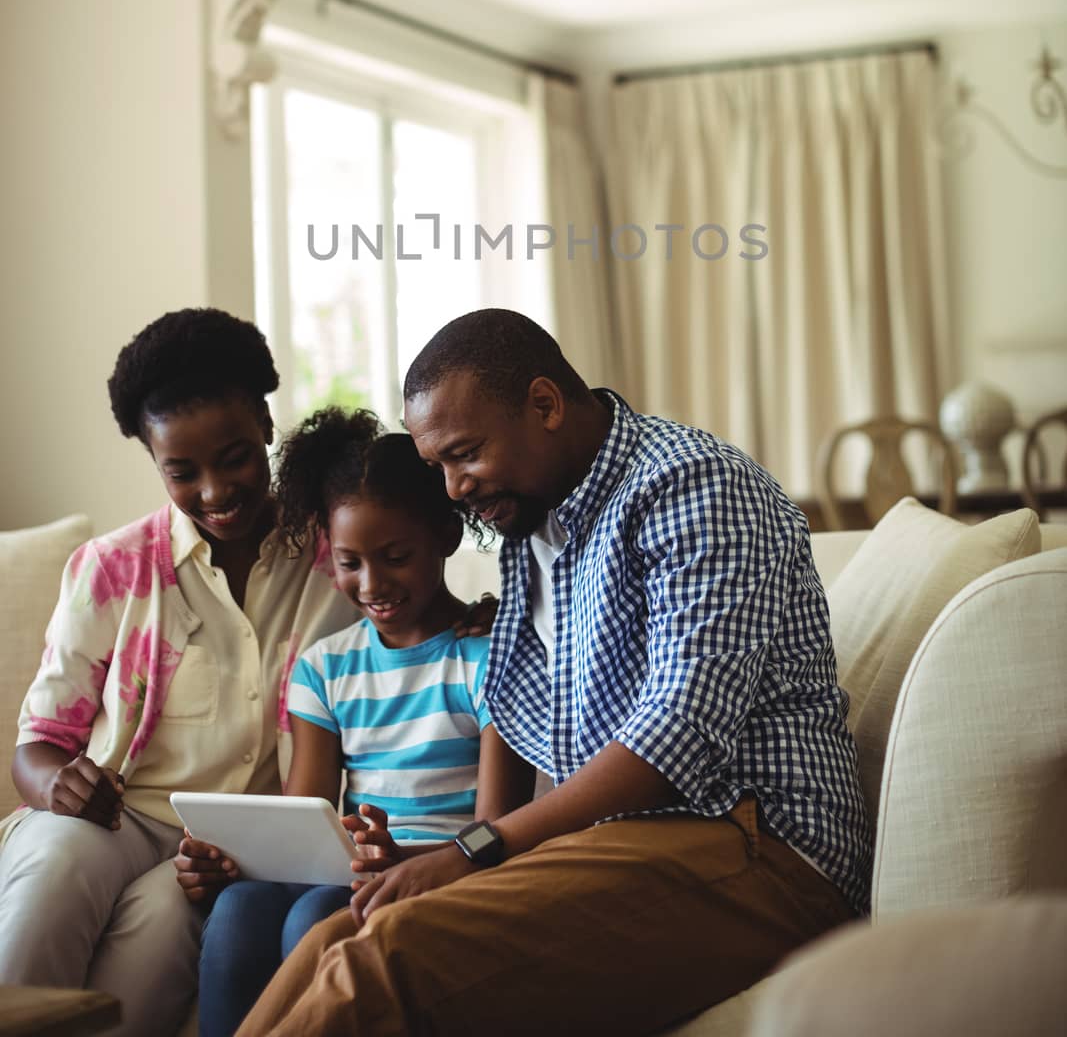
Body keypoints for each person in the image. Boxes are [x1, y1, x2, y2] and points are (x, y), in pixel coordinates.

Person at [236, 308, 873, 1037]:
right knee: (332, 940)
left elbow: (677, 737)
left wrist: (475, 850)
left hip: (762, 848)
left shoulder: (690, 485)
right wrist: (444, 854)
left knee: (383, 957)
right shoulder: (535, 524)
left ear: (543, 405)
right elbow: (518, 720)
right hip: (630, 843)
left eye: (463, 454)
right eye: (437, 464)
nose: (451, 488)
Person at [0, 307, 492, 1037]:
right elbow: (38, 742)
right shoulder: (111, 569)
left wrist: (480, 615)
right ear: (153, 462)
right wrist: (54, 780)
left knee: (161, 948)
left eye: (233, 456)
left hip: (234, 849)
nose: (214, 490)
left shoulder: (335, 555)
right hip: (112, 817)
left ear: (265, 424)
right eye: (181, 472)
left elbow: (407, 576)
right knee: (54, 873)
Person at [197, 406, 529, 1037]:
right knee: (239, 909)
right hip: (360, 870)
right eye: (349, 562)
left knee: (314, 919)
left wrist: (407, 857)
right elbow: (302, 826)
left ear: (446, 537)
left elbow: (499, 832)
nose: (372, 583)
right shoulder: (324, 669)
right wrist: (228, 860)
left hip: (451, 868)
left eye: (396, 556)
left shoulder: (489, 659)